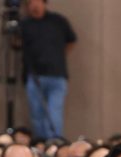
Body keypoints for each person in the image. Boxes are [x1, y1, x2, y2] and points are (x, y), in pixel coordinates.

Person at [19, 0, 77, 139]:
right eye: (30, 3)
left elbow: (71, 41)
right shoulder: (24, 24)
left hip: (57, 74)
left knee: (54, 112)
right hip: (34, 75)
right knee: (37, 114)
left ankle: (54, 141)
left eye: (37, 2)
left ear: (44, 3)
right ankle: (41, 142)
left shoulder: (58, 21)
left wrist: (59, 56)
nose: (34, 5)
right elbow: (15, 45)